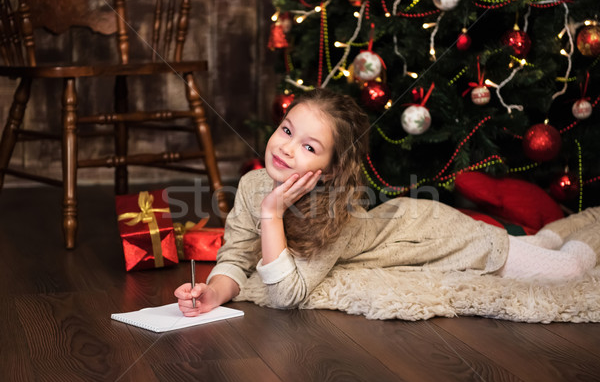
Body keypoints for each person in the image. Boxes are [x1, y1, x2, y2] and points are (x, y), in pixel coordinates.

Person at [175, 88, 599, 317]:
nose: (286, 149)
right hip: (406, 228)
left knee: (571, 271)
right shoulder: (253, 185)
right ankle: (556, 232)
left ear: (328, 168)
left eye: (308, 146)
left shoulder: (330, 208)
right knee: (538, 248)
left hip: (435, 236)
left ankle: (591, 224)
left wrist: (272, 214)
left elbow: (287, 295)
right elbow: (236, 255)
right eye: (287, 131)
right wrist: (214, 292)